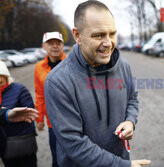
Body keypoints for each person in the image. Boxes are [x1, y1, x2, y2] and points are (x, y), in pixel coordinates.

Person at [44, 1, 151, 167]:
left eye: (112, 34)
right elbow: (75, 144)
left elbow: (132, 99)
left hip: (120, 159)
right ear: (77, 35)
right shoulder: (57, 82)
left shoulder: (123, 65)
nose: (108, 43)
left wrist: (130, 121)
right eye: (98, 35)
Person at [34, 31, 66, 167]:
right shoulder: (39, 68)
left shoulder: (73, 64)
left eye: (58, 43)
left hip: (74, 121)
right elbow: (40, 95)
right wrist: (39, 119)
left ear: (62, 45)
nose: (55, 46)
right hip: (53, 122)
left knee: (76, 156)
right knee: (56, 157)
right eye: (50, 43)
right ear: (43, 46)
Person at [0, 60, 38, 167]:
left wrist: (7, 113)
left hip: (20, 142)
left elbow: (30, 113)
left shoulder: (19, 89)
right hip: (3, 145)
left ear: (6, 75)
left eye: (0, 75)